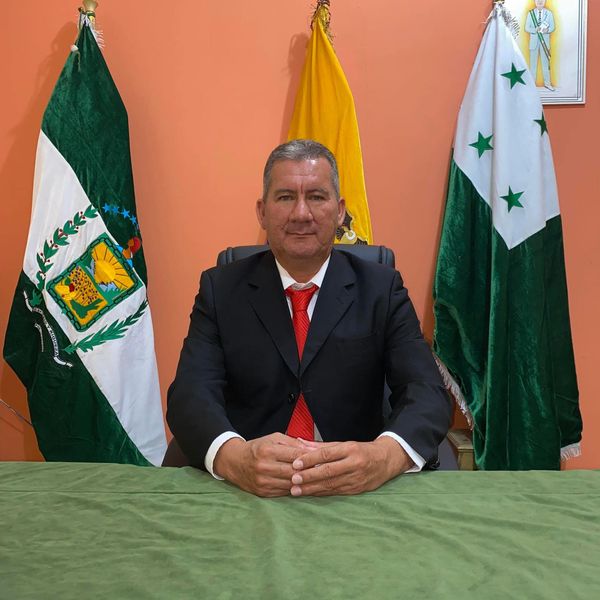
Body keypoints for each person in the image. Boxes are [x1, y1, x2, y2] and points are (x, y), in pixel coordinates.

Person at [166, 139, 452, 497]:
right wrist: (233, 457)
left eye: (316, 197)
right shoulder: (220, 289)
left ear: (340, 211)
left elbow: (426, 391)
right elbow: (190, 394)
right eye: (285, 197)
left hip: (354, 490)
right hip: (249, 490)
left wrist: (383, 457)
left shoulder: (382, 288)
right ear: (262, 212)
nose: (301, 213)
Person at [525, 0, 556, 91]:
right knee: (533, 65)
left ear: (545, 1)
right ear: (534, 1)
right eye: (537, 0)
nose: (539, 1)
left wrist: (547, 30)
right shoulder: (530, 14)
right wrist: (535, 30)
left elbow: (553, 27)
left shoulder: (549, 13)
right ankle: (532, 85)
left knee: (545, 64)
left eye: (542, 0)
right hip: (534, 43)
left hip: (544, 42)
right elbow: (526, 28)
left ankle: (547, 84)